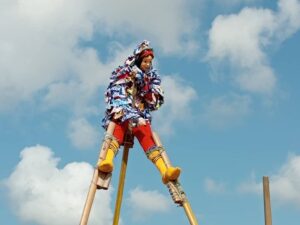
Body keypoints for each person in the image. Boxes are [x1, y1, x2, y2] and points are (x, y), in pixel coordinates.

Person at [99, 40, 181, 184]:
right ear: (138, 60)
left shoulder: (150, 78)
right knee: (118, 127)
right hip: (124, 110)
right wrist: (125, 109)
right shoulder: (125, 72)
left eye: (150, 62)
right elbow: (116, 91)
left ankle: (164, 170)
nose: (148, 65)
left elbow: (153, 99)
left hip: (139, 113)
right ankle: (107, 161)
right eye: (145, 61)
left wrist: (148, 92)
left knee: (146, 134)